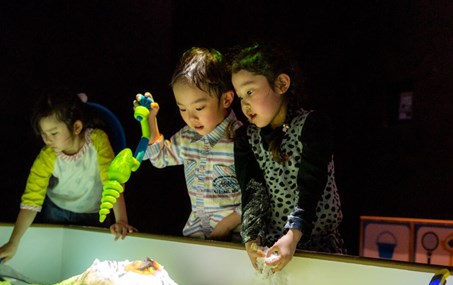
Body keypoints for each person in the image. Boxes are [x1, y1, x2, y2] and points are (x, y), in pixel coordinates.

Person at [229, 41, 345, 272]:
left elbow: (311, 186)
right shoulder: (246, 138)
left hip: (319, 248)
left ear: (281, 84)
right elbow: (252, 191)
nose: (245, 104)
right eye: (240, 97)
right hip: (273, 247)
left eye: (250, 92)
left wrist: (293, 235)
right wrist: (252, 239)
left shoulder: (313, 124)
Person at [0, 90, 136, 263]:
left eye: (53, 133)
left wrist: (121, 220)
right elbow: (31, 200)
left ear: (76, 127)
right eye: (44, 134)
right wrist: (13, 242)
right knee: (54, 259)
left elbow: (112, 182)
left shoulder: (97, 141)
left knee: (90, 261)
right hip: (56, 211)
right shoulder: (47, 156)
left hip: (93, 214)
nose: (47, 140)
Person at [138, 47, 242, 241]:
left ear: (226, 99)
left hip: (235, 239)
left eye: (199, 107)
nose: (191, 118)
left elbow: (259, 195)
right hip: (196, 236)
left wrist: (227, 225)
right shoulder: (187, 137)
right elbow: (159, 159)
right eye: (182, 109)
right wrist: (151, 120)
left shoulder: (241, 140)